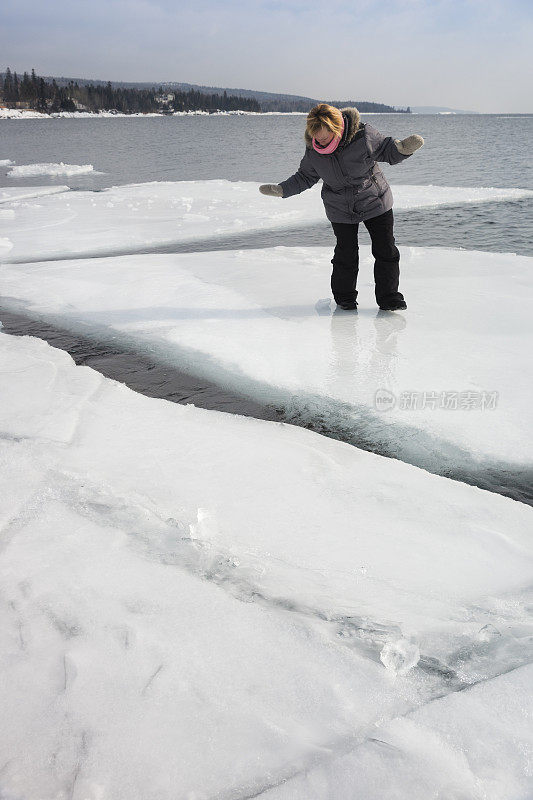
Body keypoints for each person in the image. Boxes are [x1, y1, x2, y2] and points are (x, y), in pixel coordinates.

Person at [259, 103, 424, 311]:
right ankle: (345, 299)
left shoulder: (362, 135)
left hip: (374, 199)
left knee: (386, 249)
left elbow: (386, 150)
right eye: (316, 137)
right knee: (345, 253)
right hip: (339, 206)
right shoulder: (314, 150)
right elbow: (305, 177)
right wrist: (282, 189)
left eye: (324, 137)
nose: (320, 141)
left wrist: (402, 149)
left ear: (336, 128)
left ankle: (389, 298)